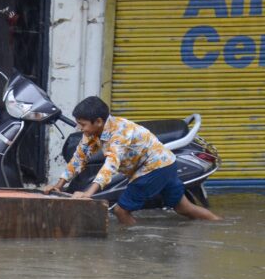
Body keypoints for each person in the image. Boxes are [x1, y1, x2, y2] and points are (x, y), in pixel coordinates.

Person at [43, 96, 222, 226]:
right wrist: (59, 185)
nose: (79, 128)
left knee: (121, 210)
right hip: (166, 163)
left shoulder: (119, 133)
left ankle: (132, 248)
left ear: (98, 121)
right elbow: (79, 158)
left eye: (82, 124)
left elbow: (110, 165)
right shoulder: (93, 133)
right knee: (184, 208)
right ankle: (219, 225)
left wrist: (88, 194)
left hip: (155, 168)